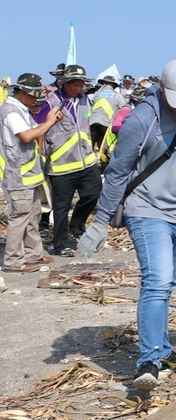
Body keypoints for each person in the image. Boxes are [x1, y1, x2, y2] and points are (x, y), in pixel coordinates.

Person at [78, 60, 176, 389]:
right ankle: (148, 360)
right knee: (156, 281)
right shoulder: (142, 119)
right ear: (164, 88)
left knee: (167, 284)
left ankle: (164, 348)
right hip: (145, 211)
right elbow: (117, 172)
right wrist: (100, 222)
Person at [38, 64, 103, 256]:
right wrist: (42, 153)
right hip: (61, 165)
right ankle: (61, 243)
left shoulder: (84, 99)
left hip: (86, 161)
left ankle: (77, 225)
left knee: (94, 193)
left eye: (81, 84)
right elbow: (40, 128)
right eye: (74, 84)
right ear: (65, 83)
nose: (78, 87)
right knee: (61, 207)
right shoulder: (51, 102)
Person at [2, 74, 59, 271]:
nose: (36, 101)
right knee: (19, 218)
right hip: (18, 176)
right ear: (23, 93)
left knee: (32, 215)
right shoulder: (11, 111)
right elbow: (27, 136)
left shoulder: (21, 109)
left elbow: (37, 129)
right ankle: (13, 261)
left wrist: (52, 122)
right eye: (33, 96)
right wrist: (49, 122)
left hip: (30, 175)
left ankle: (33, 254)